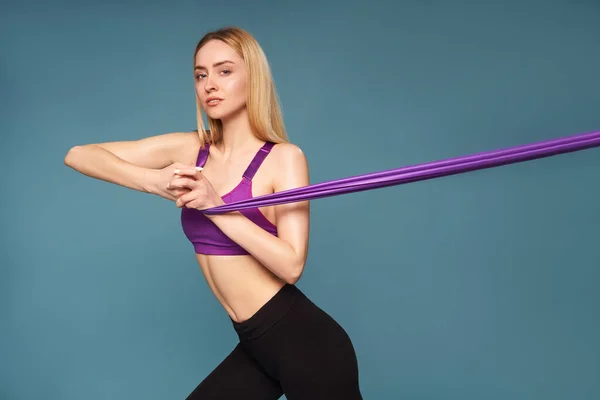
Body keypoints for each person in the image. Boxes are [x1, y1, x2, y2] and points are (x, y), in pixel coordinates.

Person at [64, 26, 363, 399]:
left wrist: (216, 206)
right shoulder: (192, 148)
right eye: (200, 74)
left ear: (253, 79)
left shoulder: (284, 158)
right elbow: (79, 154)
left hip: (306, 343)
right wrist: (153, 181)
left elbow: (291, 266)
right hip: (256, 344)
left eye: (224, 71)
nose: (209, 84)